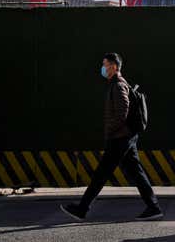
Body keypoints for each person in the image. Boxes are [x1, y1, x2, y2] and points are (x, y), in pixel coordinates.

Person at [60, 53, 162, 221]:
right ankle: (154, 207)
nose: (102, 68)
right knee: (136, 172)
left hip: (120, 138)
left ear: (114, 66)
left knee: (101, 173)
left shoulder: (119, 85)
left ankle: (82, 209)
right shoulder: (116, 84)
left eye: (105, 64)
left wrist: (111, 132)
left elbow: (122, 113)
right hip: (126, 136)